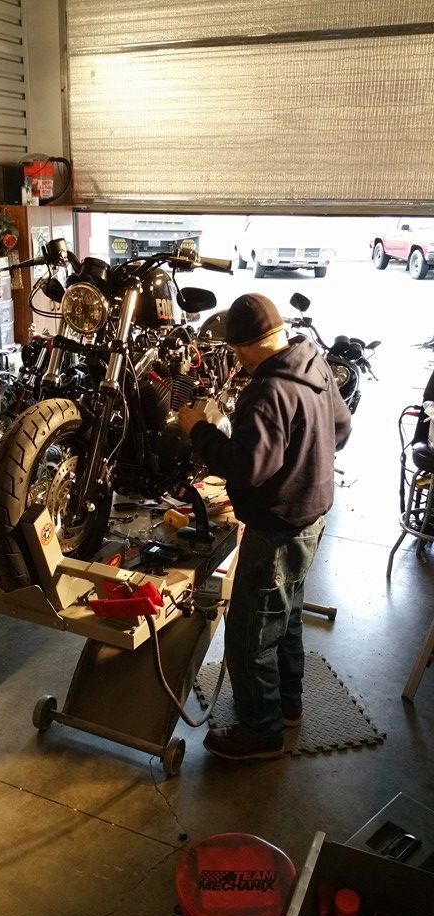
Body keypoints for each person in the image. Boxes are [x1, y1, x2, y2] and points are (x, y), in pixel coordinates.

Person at [177, 293, 352, 761]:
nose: (237, 361)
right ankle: (286, 705)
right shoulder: (312, 361)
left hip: (276, 525)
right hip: (312, 515)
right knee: (286, 613)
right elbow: (341, 428)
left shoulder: (267, 388)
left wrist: (198, 428)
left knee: (251, 630)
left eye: (237, 352)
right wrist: (300, 459)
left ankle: (261, 731)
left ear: (250, 345)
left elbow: (246, 467)